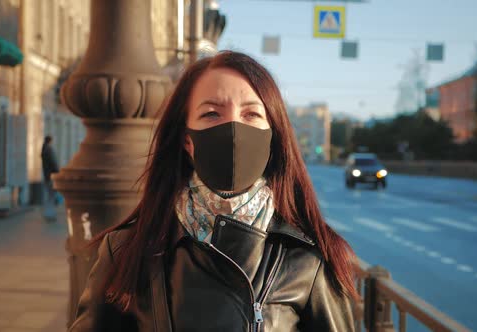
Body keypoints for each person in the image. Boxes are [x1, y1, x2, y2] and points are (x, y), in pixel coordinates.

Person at [69, 51, 360, 332]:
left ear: (272, 136)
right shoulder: (126, 251)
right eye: (211, 113)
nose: (233, 129)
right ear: (187, 141)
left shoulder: (309, 258)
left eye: (251, 114)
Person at [41, 135, 59, 220]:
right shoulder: (49, 150)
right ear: (50, 141)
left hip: (46, 175)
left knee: (48, 195)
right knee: (51, 196)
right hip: (51, 176)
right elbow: (53, 164)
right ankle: (50, 214)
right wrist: (57, 172)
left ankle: (48, 213)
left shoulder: (44, 149)